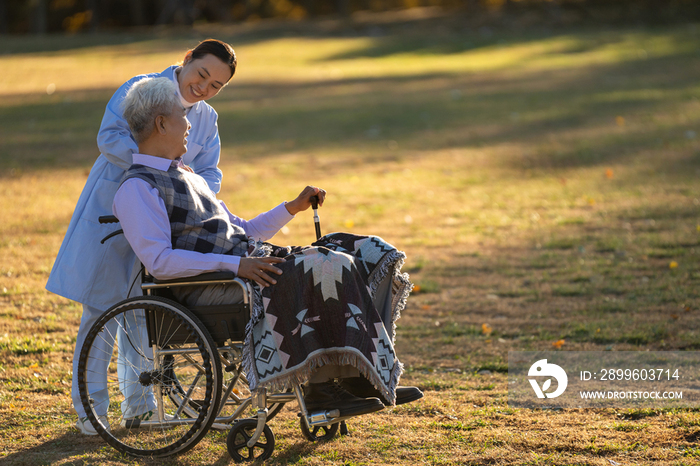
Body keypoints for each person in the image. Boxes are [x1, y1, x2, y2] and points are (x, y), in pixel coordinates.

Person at [115, 77, 422, 419]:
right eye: (182, 116)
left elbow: (242, 230)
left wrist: (292, 207)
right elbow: (159, 262)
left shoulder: (189, 175)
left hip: (248, 268)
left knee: (360, 252)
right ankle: (320, 388)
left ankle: (358, 375)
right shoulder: (137, 189)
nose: (189, 124)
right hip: (213, 286)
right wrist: (236, 267)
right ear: (160, 123)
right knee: (323, 267)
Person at [45, 39, 238, 435]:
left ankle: (140, 406)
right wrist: (161, 167)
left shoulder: (207, 118)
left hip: (168, 221)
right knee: (101, 309)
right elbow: (109, 138)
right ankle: (91, 412)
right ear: (187, 60)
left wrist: (189, 190)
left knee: (147, 310)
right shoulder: (143, 88)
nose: (204, 88)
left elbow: (212, 173)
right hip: (116, 207)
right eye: (202, 74)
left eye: (216, 85)